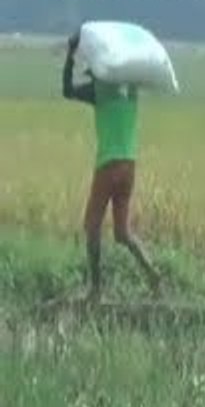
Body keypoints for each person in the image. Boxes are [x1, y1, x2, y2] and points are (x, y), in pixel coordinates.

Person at [62, 31, 161, 304]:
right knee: (122, 232)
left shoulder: (99, 91)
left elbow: (67, 90)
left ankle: (95, 290)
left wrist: (70, 55)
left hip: (108, 164)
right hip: (129, 165)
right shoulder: (130, 90)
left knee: (91, 226)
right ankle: (153, 274)